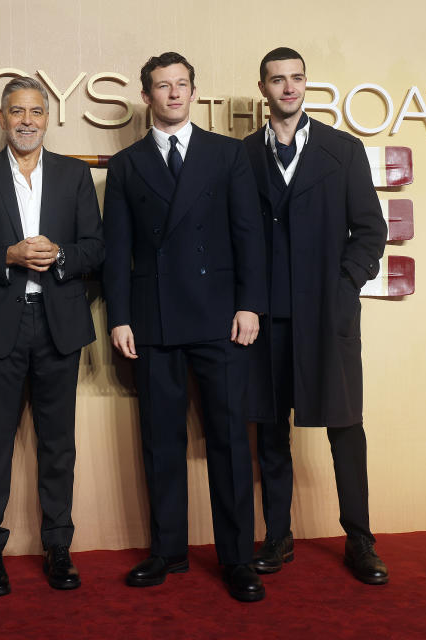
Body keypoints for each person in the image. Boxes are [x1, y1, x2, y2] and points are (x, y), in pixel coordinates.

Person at [102, 52, 269, 602]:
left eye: (181, 85)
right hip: (154, 320)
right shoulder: (126, 164)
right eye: (162, 86)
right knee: (161, 442)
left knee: (226, 440)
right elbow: (117, 250)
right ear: (146, 96)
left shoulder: (226, 154)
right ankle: (167, 551)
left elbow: (249, 233)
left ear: (193, 92)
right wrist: (120, 316)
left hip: (221, 317)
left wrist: (250, 305)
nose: (173, 94)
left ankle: (238, 559)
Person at [0, 77, 104, 596]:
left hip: (59, 324)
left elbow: (95, 248)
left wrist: (59, 256)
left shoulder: (75, 175)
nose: (28, 120)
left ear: (48, 117)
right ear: (2, 118)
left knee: (59, 446)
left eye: (36, 111)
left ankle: (59, 547)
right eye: (17, 111)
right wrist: (8, 256)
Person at [241, 47, 389, 584]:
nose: (288, 88)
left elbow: (371, 230)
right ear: (263, 88)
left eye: (296, 78)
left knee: (346, 428)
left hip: (328, 316)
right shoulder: (244, 157)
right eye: (277, 80)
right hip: (265, 320)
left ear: (306, 84)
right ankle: (278, 537)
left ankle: (360, 541)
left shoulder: (342, 150)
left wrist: (344, 281)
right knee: (271, 432)